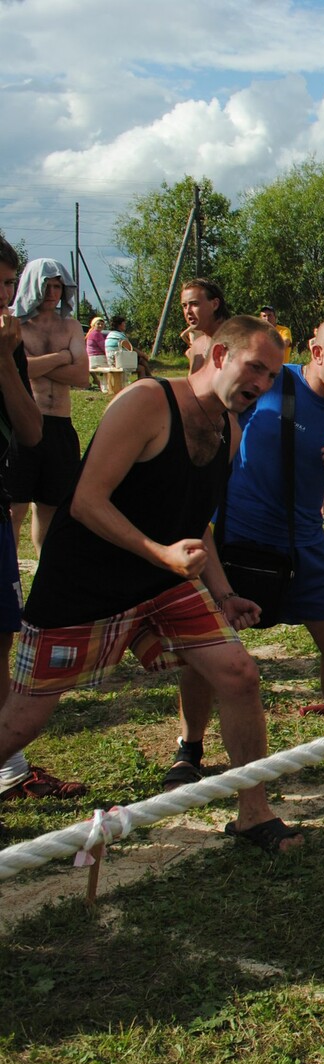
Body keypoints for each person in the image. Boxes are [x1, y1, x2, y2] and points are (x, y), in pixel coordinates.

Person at [0, 315, 299, 852]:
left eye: (273, 376)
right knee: (20, 724)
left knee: (239, 674)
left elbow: (197, 523)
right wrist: (159, 552)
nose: (262, 383)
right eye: (255, 367)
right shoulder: (146, 401)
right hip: (81, 586)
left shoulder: (230, 429)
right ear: (219, 357)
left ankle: (254, 814)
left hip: (162, 584)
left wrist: (224, 593)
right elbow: (86, 501)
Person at [173, 318, 324, 789]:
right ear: (316, 352)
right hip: (238, 538)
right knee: (205, 654)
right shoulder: (272, 383)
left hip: (305, 544)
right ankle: (189, 749)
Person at [0, 237, 72, 802]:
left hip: (51, 432)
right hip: (13, 468)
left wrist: (17, 360)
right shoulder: (20, 329)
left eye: (5, 285)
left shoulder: (17, 341)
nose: (53, 294)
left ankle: (9, 769)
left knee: (58, 512)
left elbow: (31, 423)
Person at [8, 259, 89, 552]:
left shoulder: (69, 326)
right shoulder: (15, 325)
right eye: (47, 285)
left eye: (57, 286)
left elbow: (81, 376)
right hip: (25, 423)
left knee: (51, 508)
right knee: (14, 508)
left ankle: (43, 579)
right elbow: (16, 370)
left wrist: (31, 365)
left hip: (60, 425)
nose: (52, 292)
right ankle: (10, 574)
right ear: (32, 286)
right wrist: (61, 357)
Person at [179, 278, 228, 373]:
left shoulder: (240, 342)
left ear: (215, 304)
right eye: (184, 306)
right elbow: (192, 386)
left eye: (194, 304)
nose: (188, 311)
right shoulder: (197, 347)